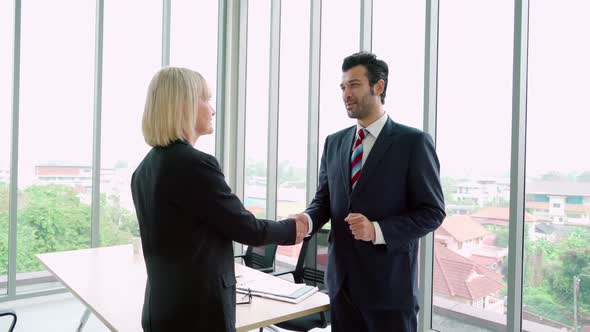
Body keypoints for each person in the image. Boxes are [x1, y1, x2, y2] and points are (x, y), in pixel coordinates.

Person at [131, 67, 308, 332]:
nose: (212, 110)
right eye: (207, 99)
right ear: (186, 104)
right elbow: (247, 229)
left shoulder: (144, 170)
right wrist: (295, 228)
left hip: (160, 310)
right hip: (198, 315)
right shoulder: (194, 165)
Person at [293, 52, 445, 332]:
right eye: (342, 87)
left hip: (389, 292)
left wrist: (376, 230)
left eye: (354, 85)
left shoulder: (413, 143)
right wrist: (307, 219)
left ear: (379, 87)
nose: (346, 94)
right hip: (342, 288)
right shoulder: (335, 142)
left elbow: (432, 213)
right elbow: (324, 201)